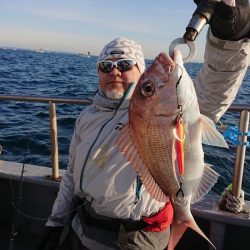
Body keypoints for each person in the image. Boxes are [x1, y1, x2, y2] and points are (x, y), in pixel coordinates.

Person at [38, 0, 250, 249]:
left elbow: (214, 90)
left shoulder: (163, 108)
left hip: (135, 239)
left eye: (125, 65)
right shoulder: (87, 117)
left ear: (141, 73)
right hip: (81, 229)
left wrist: (229, 38)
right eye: (106, 66)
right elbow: (71, 177)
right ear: (98, 73)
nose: (114, 71)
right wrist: (55, 223)